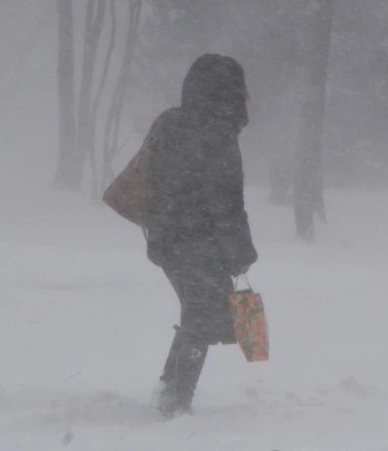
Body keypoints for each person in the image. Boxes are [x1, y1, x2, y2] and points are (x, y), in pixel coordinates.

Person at [144, 54, 258, 417]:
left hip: (166, 238)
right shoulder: (218, 135)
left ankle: (169, 387)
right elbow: (226, 203)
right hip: (201, 244)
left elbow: (153, 181)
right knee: (204, 318)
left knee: (196, 313)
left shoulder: (172, 123)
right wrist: (241, 251)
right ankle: (176, 399)